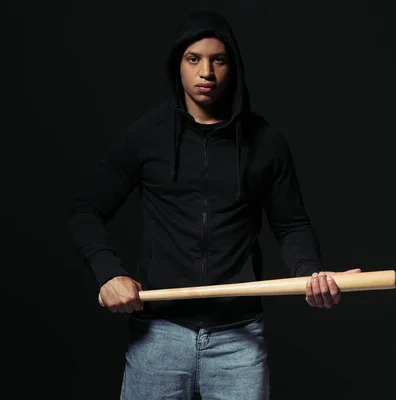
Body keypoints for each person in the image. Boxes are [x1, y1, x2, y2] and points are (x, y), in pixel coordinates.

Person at [68, 9, 360, 400]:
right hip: (158, 336)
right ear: (179, 65)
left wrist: (311, 273)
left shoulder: (266, 142)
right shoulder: (147, 136)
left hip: (238, 341)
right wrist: (107, 273)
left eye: (217, 60)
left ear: (232, 66)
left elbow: (291, 226)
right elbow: (86, 210)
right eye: (194, 59)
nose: (206, 72)